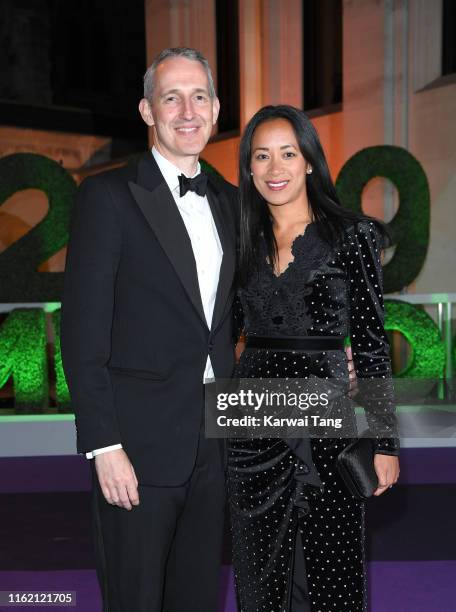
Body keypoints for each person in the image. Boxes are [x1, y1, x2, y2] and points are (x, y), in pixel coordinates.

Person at [60, 47, 238, 612]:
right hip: (135, 447)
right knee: (135, 599)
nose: (188, 110)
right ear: (147, 110)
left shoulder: (233, 203)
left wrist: (341, 362)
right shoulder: (107, 197)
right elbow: (82, 334)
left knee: (197, 598)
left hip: (216, 440)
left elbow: (248, 315)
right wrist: (103, 445)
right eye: (171, 97)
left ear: (216, 109)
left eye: (200, 96)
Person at [227, 105, 400, 612]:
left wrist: (385, 440)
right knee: (258, 574)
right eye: (262, 156)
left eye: (288, 153)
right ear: (249, 168)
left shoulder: (352, 237)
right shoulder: (240, 242)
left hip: (326, 428)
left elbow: (370, 343)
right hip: (250, 426)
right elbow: (221, 334)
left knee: (332, 567)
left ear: (308, 162)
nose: (275, 168)